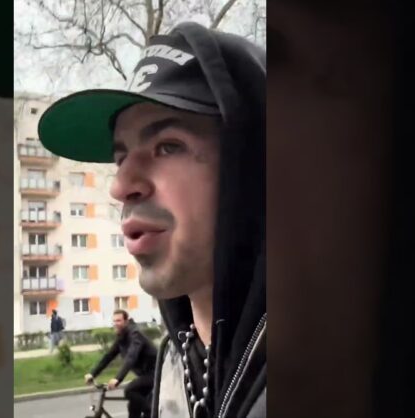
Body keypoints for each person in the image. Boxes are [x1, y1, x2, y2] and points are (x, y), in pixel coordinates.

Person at [39, 22, 265, 417]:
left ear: (254, 167)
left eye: (168, 146)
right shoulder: (176, 366)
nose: (121, 185)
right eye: (121, 157)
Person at [84, 310, 158, 418]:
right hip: (145, 375)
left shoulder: (135, 335)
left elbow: (131, 357)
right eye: (114, 321)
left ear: (126, 321)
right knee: (133, 406)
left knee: (130, 390)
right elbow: (108, 356)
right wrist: (93, 373)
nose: (116, 324)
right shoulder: (121, 337)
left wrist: (118, 378)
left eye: (119, 321)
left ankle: (152, 413)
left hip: (157, 373)